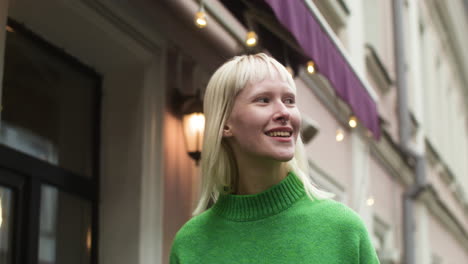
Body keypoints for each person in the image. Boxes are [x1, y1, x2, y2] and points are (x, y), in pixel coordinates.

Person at [169, 53, 380, 264]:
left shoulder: (343, 229)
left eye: (289, 101)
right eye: (263, 100)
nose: (283, 112)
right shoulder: (191, 243)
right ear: (225, 124)